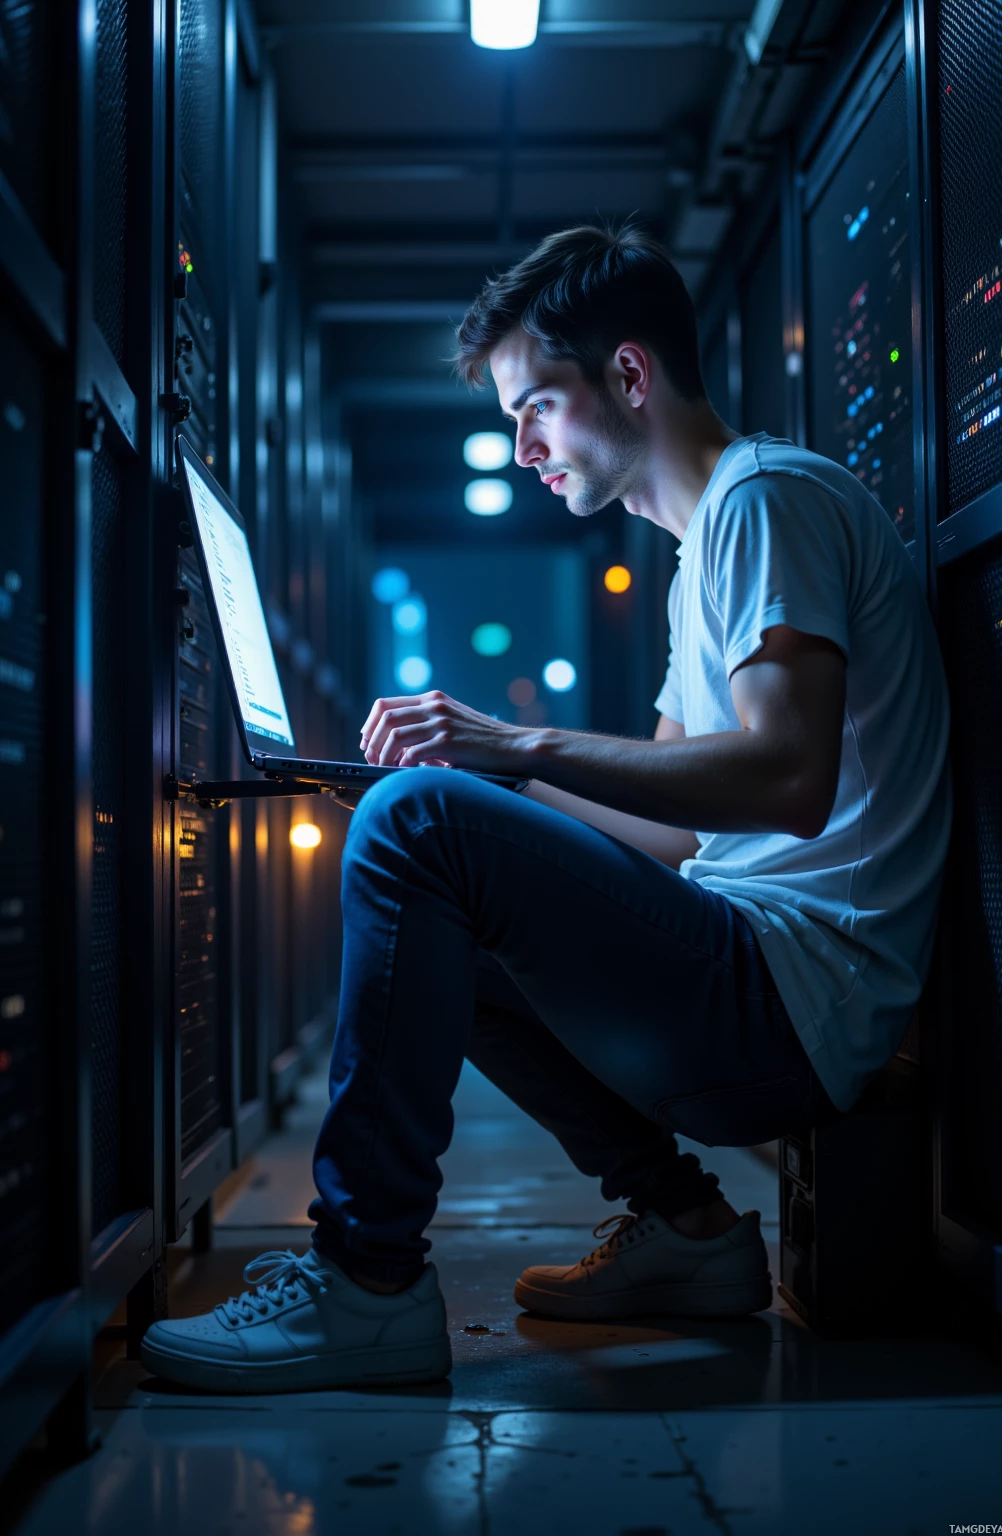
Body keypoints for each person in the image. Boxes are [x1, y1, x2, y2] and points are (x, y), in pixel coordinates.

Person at [140, 223, 951, 1394]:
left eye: (537, 408)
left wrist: (503, 749)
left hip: (790, 1002)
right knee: (432, 845)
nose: (522, 448)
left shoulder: (763, 503)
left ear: (628, 376)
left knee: (418, 825)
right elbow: (679, 835)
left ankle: (365, 1283)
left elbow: (786, 779)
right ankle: (687, 1231)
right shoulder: (707, 549)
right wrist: (492, 785)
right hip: (756, 987)